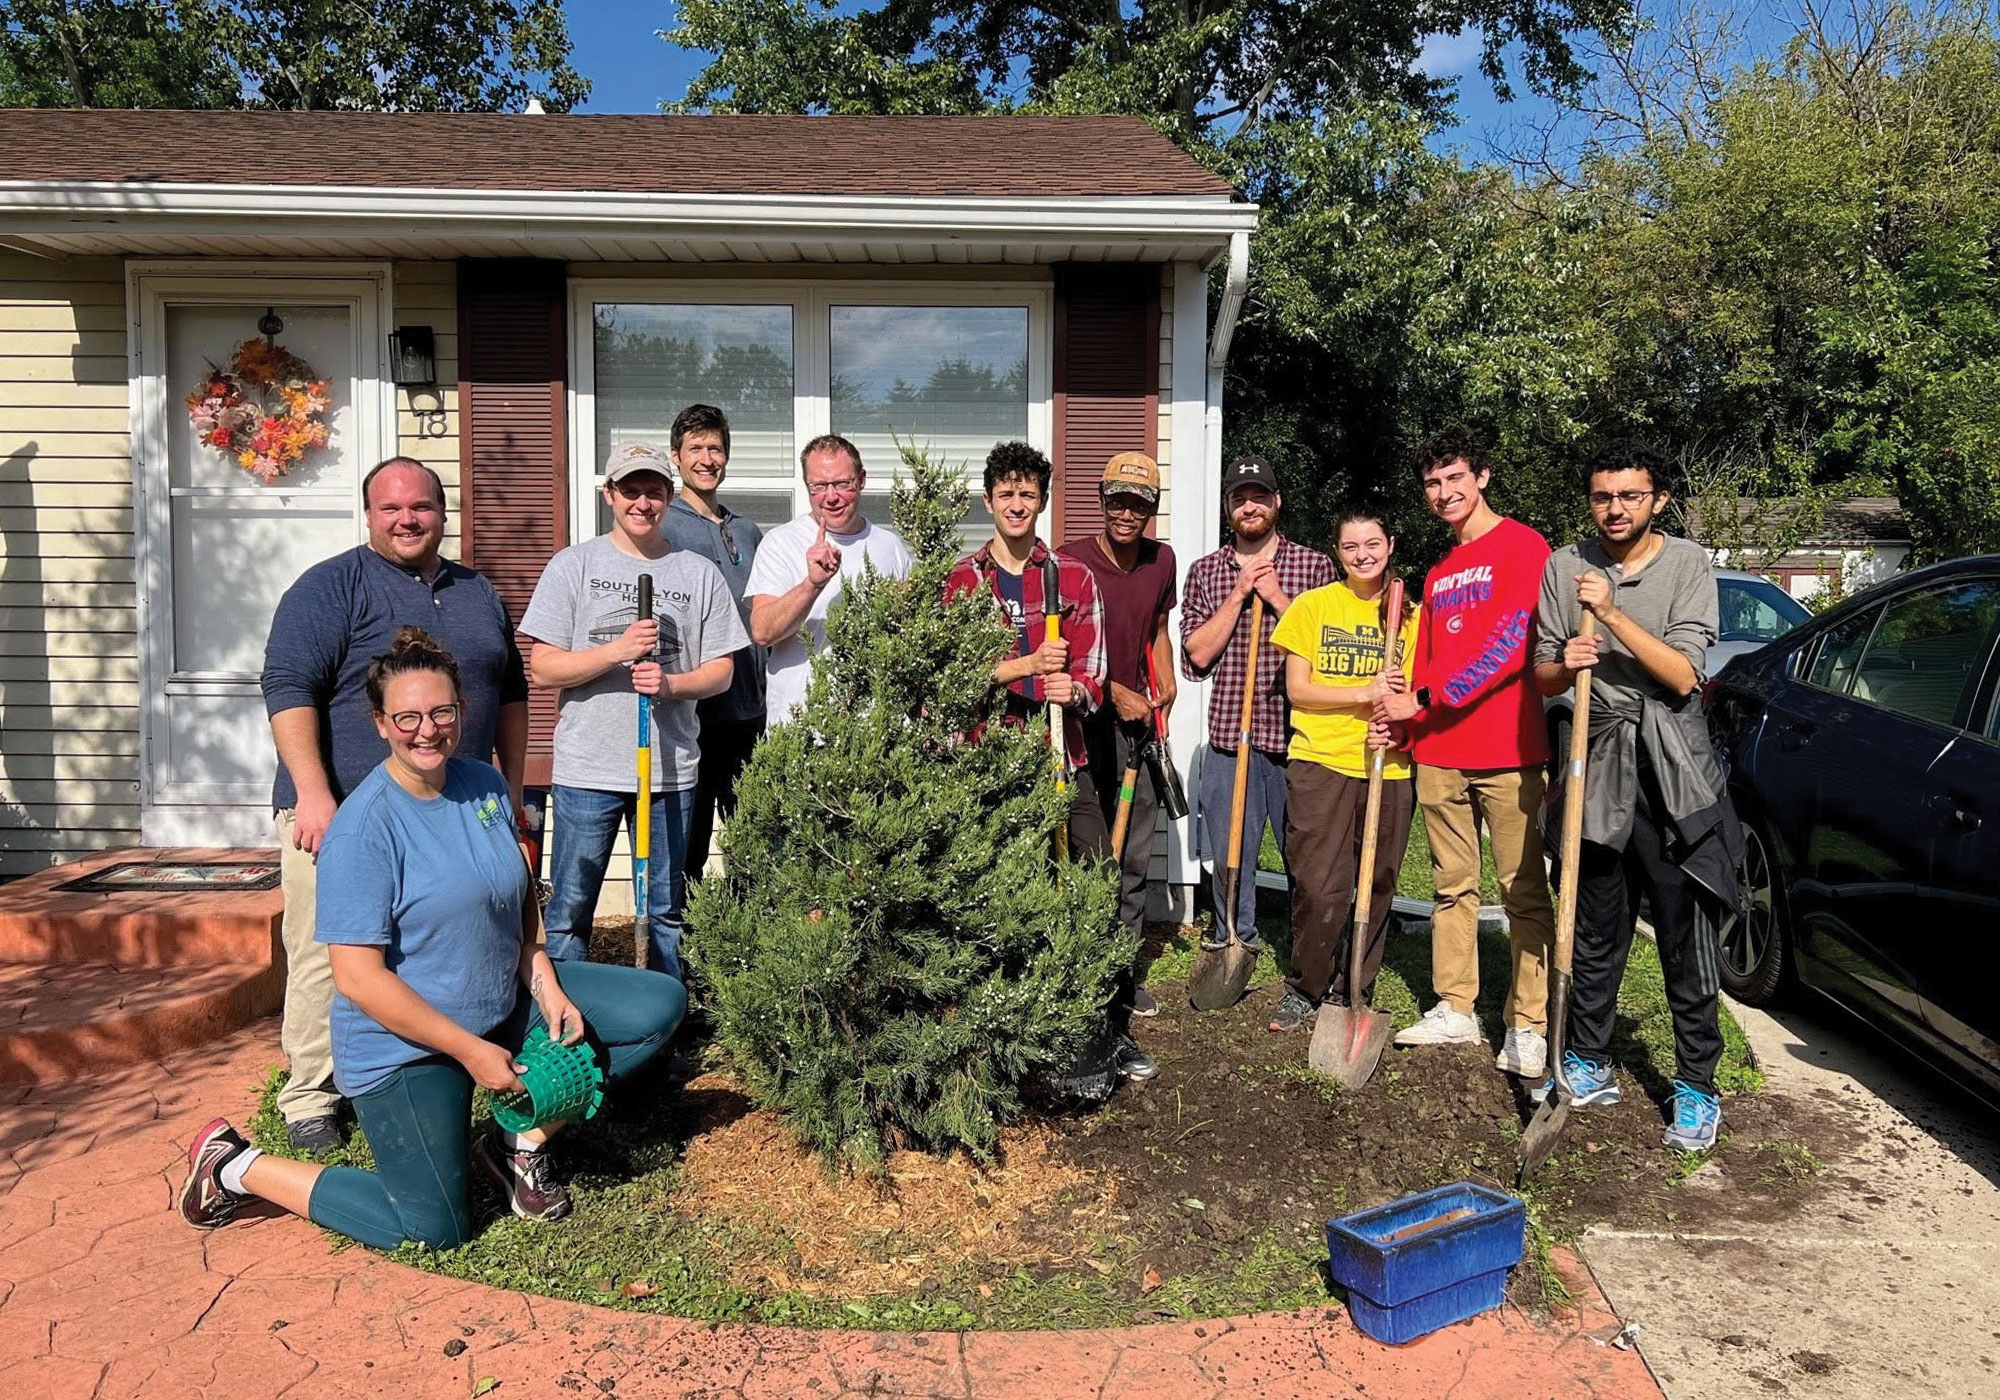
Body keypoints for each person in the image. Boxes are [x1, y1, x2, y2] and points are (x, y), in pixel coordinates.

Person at [180, 628, 686, 1247]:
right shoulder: (364, 830)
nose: (427, 729)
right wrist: (471, 1054)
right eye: (408, 717)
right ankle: (235, 1165)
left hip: (504, 1004)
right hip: (407, 1046)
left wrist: (546, 982)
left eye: (441, 712)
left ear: (461, 712)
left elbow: (519, 894)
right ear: (380, 723)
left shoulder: (484, 785)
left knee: (653, 1007)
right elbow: (357, 978)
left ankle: (515, 1144)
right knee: (431, 1226)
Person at [260, 457, 528, 1154]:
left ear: (444, 512)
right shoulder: (331, 587)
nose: (407, 519)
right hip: (343, 811)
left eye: (422, 507)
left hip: (451, 808)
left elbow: (511, 695)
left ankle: (434, 1062)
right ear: (369, 514)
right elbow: (287, 686)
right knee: (330, 953)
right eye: (390, 508)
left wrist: (515, 794)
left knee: (442, 942)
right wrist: (315, 795)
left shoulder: (478, 592)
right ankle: (312, 1097)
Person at [1532, 439, 1741, 1151]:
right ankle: (1587, 1059)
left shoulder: (1688, 565)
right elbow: (1541, 675)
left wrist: (1613, 617)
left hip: (1671, 766)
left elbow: (1684, 676)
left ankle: (1696, 1087)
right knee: (1595, 920)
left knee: (1686, 931)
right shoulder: (1565, 566)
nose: (1615, 509)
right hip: (1596, 757)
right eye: (1602, 496)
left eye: (1630, 496)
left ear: (1657, 501)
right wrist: (1567, 663)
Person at [945, 441, 1156, 1082]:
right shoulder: (963, 580)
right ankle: (1005, 1032)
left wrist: (1079, 690)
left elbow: (1091, 671)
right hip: (991, 765)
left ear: (1043, 502)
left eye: (1028, 494)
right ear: (989, 501)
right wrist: (1026, 667)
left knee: (1092, 884)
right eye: (1005, 493)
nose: (1017, 504)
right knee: (999, 893)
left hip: (1060, 758)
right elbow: (952, 676)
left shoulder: (1071, 578)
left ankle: (1102, 1026)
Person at [520, 442, 749, 978]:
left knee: (667, 912)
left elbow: (722, 672)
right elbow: (544, 669)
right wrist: (616, 653)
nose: (641, 502)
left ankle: (660, 1024)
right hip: (588, 771)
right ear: (609, 495)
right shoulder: (574, 565)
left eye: (653, 491)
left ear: (669, 497)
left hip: (669, 773)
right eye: (630, 490)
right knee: (571, 911)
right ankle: (568, 1025)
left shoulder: (697, 573)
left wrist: (669, 685)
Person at [1374, 428, 1556, 1079]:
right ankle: (1456, 1006)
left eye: (1455, 478)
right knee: (1453, 887)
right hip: (1442, 755)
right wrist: (1404, 723)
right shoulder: (1441, 571)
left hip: (1508, 749)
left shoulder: (1524, 546)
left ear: (1480, 477)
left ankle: (1528, 1023)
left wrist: (1423, 694)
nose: (1445, 492)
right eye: (1432, 483)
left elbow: (1511, 644)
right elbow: (1426, 660)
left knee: (1522, 891)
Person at [1266, 508, 1422, 1033]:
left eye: (1372, 543)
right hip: (1322, 760)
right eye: (1351, 546)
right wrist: (1365, 693)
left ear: (1390, 544)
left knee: (1376, 880)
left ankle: (1354, 985)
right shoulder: (1313, 607)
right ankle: (1306, 985)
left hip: (1390, 766)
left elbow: (1423, 695)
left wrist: (1399, 726)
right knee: (1318, 881)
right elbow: (1298, 690)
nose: (1363, 554)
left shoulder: (1414, 615)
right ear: (1338, 552)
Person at [1179, 457, 1336, 951]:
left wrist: (1277, 597)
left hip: (1301, 740)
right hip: (1231, 735)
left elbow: (1330, 652)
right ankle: (1234, 941)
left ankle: (1308, 952)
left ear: (1277, 502)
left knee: (1306, 857)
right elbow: (1198, 653)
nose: (1250, 506)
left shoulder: (1314, 567)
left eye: (1259, 496)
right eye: (1239, 498)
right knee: (1232, 854)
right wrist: (1240, 593)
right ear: (1228, 507)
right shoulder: (1206, 571)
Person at [1059, 452, 1179, 1023]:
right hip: (1083, 730)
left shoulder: (1162, 561)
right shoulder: (1070, 563)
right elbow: (1063, 648)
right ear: (1102, 502)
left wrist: (1168, 677)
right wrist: (1113, 692)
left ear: (1151, 508)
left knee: (1134, 855)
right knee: (1090, 857)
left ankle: (1122, 973)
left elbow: (1157, 627)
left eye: (1140, 502)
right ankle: (1083, 969)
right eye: (1118, 500)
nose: (1127, 511)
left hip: (1137, 731)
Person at [655, 404, 767, 884]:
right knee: (690, 850)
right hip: (696, 716)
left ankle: (747, 951)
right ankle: (686, 953)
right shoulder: (665, 528)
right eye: (695, 448)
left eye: (715, 448)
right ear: (676, 457)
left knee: (755, 845)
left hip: (753, 714)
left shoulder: (746, 530)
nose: (706, 458)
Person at [746, 434, 914, 724]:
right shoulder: (781, 542)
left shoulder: (891, 547)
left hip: (878, 728)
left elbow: (911, 636)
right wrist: (812, 584)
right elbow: (762, 631)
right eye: (819, 486)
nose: (831, 496)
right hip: (802, 730)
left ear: (861, 480)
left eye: (842, 484)